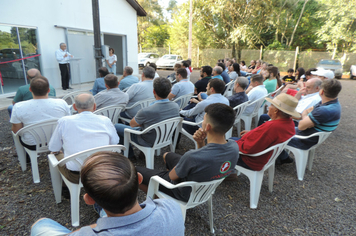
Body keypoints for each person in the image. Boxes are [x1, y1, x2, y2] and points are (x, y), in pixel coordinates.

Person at [30, 152, 185, 236]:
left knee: (41, 224)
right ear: (139, 179)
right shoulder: (171, 207)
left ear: (89, 199)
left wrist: (97, 226)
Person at [136, 103, 239, 202]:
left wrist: (179, 168)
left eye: (203, 120)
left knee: (135, 172)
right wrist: (200, 142)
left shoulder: (192, 156)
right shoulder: (234, 147)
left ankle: (164, 200)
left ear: (207, 127)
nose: (202, 122)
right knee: (167, 155)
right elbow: (204, 158)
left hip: (184, 193)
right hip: (202, 189)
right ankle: (166, 191)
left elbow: (171, 176)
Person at [49, 93, 119, 184]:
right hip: (102, 171)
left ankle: (66, 187)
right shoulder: (105, 120)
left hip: (76, 175)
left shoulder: (64, 121)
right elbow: (115, 142)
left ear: (74, 107)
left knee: (55, 154)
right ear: (94, 106)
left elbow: (53, 148)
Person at [277, 79, 342, 164]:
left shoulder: (324, 110)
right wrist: (307, 118)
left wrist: (305, 117)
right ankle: (282, 157)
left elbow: (301, 125)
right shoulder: (331, 103)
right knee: (276, 128)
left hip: (305, 140)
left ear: (321, 91)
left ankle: (282, 158)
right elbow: (306, 111)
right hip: (310, 135)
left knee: (273, 133)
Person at [115, 77, 180, 158]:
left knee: (116, 126)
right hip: (165, 137)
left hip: (147, 140)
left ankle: (130, 155)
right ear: (170, 91)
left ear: (154, 91)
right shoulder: (176, 106)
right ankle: (143, 154)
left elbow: (132, 124)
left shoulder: (147, 111)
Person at [232, 93, 299, 171]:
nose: (268, 107)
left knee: (227, 143)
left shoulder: (273, 126)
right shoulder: (289, 122)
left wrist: (229, 143)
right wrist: (251, 133)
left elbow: (248, 149)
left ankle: (228, 172)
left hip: (253, 160)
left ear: (276, 111)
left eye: (271, 105)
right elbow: (263, 137)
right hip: (266, 156)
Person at [10, 76, 70, 150]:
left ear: (30, 89)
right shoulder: (62, 103)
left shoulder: (18, 106)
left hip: (32, 144)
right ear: (48, 90)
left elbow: (16, 130)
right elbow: (68, 123)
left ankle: (27, 158)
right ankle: (57, 153)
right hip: (59, 141)